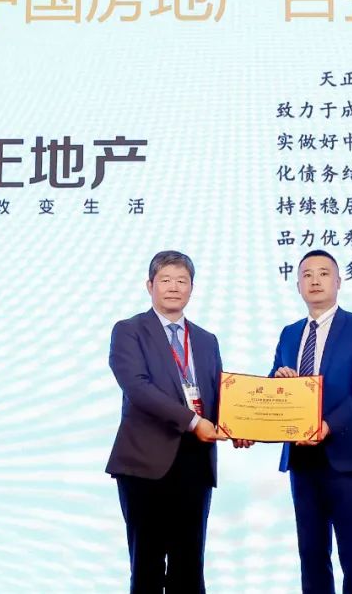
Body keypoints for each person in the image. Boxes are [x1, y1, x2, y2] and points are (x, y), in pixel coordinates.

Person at [106, 250, 228, 593]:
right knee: (147, 564)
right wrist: (193, 421)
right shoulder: (129, 331)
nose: (174, 287)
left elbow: (219, 392)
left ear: (192, 288)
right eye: (165, 280)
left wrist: (238, 427)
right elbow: (138, 388)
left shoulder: (206, 339)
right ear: (150, 286)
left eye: (182, 281)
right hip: (145, 463)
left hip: (195, 461)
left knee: (189, 565)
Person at [269, 249, 352, 594]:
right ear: (298, 285)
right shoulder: (290, 333)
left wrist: (328, 425)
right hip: (302, 459)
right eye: (307, 275)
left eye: (323, 273)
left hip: (346, 457)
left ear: (338, 281)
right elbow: (271, 387)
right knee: (311, 554)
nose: (315, 280)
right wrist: (278, 381)